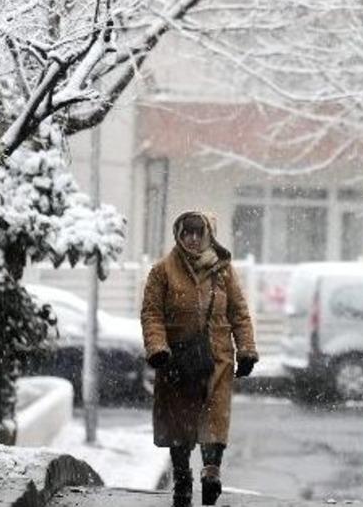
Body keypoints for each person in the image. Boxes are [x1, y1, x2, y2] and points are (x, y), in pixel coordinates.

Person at [140, 211, 259, 507]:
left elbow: (239, 313)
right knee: (179, 423)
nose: (192, 238)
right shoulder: (162, 271)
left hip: (216, 360)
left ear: (209, 235)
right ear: (178, 235)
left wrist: (246, 349)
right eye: (187, 232)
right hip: (176, 361)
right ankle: (182, 478)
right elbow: (151, 313)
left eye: (198, 232)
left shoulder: (223, 271)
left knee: (213, 418)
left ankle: (211, 473)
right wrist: (158, 348)